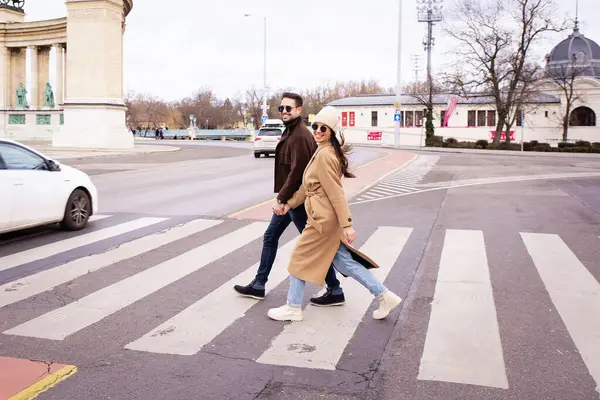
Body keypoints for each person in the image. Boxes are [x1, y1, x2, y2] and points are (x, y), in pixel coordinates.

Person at [267, 106, 402, 322]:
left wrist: (347, 224)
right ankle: (384, 295)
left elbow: (336, 193)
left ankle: (293, 307)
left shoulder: (325, 155)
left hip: (323, 221)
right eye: (316, 126)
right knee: (343, 262)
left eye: (324, 128)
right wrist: (289, 205)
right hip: (323, 218)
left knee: (299, 259)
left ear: (331, 131)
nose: (318, 131)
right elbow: (305, 187)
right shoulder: (322, 151)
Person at [234, 93, 347, 306]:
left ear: (298, 110)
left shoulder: (300, 136)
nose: (284, 112)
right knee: (271, 237)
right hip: (292, 200)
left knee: (314, 245)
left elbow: (298, 173)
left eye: (289, 108)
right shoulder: (292, 132)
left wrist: (283, 199)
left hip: (299, 202)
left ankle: (335, 288)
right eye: (281, 108)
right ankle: (259, 284)